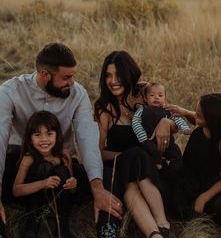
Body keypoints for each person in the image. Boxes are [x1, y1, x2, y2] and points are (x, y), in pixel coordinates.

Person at [0, 43, 122, 229]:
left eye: (73, 76)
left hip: (60, 169)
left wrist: (97, 187)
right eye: (66, 77)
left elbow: (87, 139)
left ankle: (104, 228)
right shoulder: (11, 91)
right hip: (21, 164)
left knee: (108, 178)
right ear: (44, 74)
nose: (72, 82)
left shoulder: (78, 94)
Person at [94, 51, 176, 238]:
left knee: (137, 165)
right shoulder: (105, 108)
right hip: (121, 166)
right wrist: (125, 156)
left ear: (129, 74)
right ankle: (159, 229)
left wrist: (166, 123)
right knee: (133, 158)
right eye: (108, 75)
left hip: (150, 168)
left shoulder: (145, 94)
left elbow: (172, 119)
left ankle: (159, 228)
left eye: (118, 75)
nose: (113, 80)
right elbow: (98, 152)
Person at [167, 93, 221, 223]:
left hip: (213, 185)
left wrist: (203, 198)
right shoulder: (202, 128)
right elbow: (195, 118)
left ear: (213, 120)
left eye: (199, 113)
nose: (196, 113)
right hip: (191, 180)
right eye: (197, 111)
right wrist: (184, 112)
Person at [13, 110, 77, 238]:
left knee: (61, 171)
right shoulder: (29, 158)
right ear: (30, 139)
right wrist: (43, 184)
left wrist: (72, 183)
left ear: (57, 136)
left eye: (49, 134)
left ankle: (61, 225)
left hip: (58, 201)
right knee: (44, 167)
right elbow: (16, 190)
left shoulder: (65, 156)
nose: (44, 139)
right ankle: (33, 223)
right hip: (34, 199)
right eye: (37, 135)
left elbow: (73, 190)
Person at [132, 82, 191, 171]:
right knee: (151, 151)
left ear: (164, 98)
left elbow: (177, 119)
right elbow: (136, 122)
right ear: (145, 98)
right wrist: (143, 139)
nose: (156, 97)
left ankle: (177, 170)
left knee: (176, 152)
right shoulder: (142, 109)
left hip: (167, 142)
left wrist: (185, 129)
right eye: (152, 95)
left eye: (160, 95)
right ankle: (157, 164)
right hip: (150, 140)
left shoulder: (167, 109)